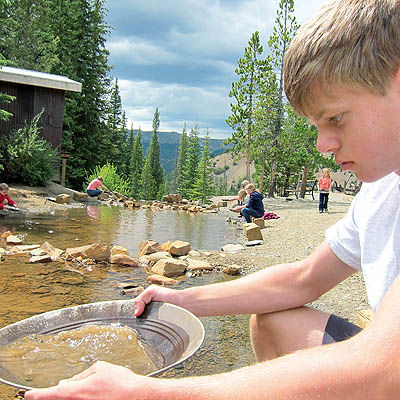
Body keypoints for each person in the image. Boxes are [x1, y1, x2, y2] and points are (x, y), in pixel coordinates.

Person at [25, 0, 400, 398]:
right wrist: (182, 300)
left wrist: (147, 394)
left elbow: (384, 369)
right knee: (272, 321)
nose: (323, 145)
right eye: (316, 126)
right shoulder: (381, 190)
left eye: (336, 118)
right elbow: (303, 279)